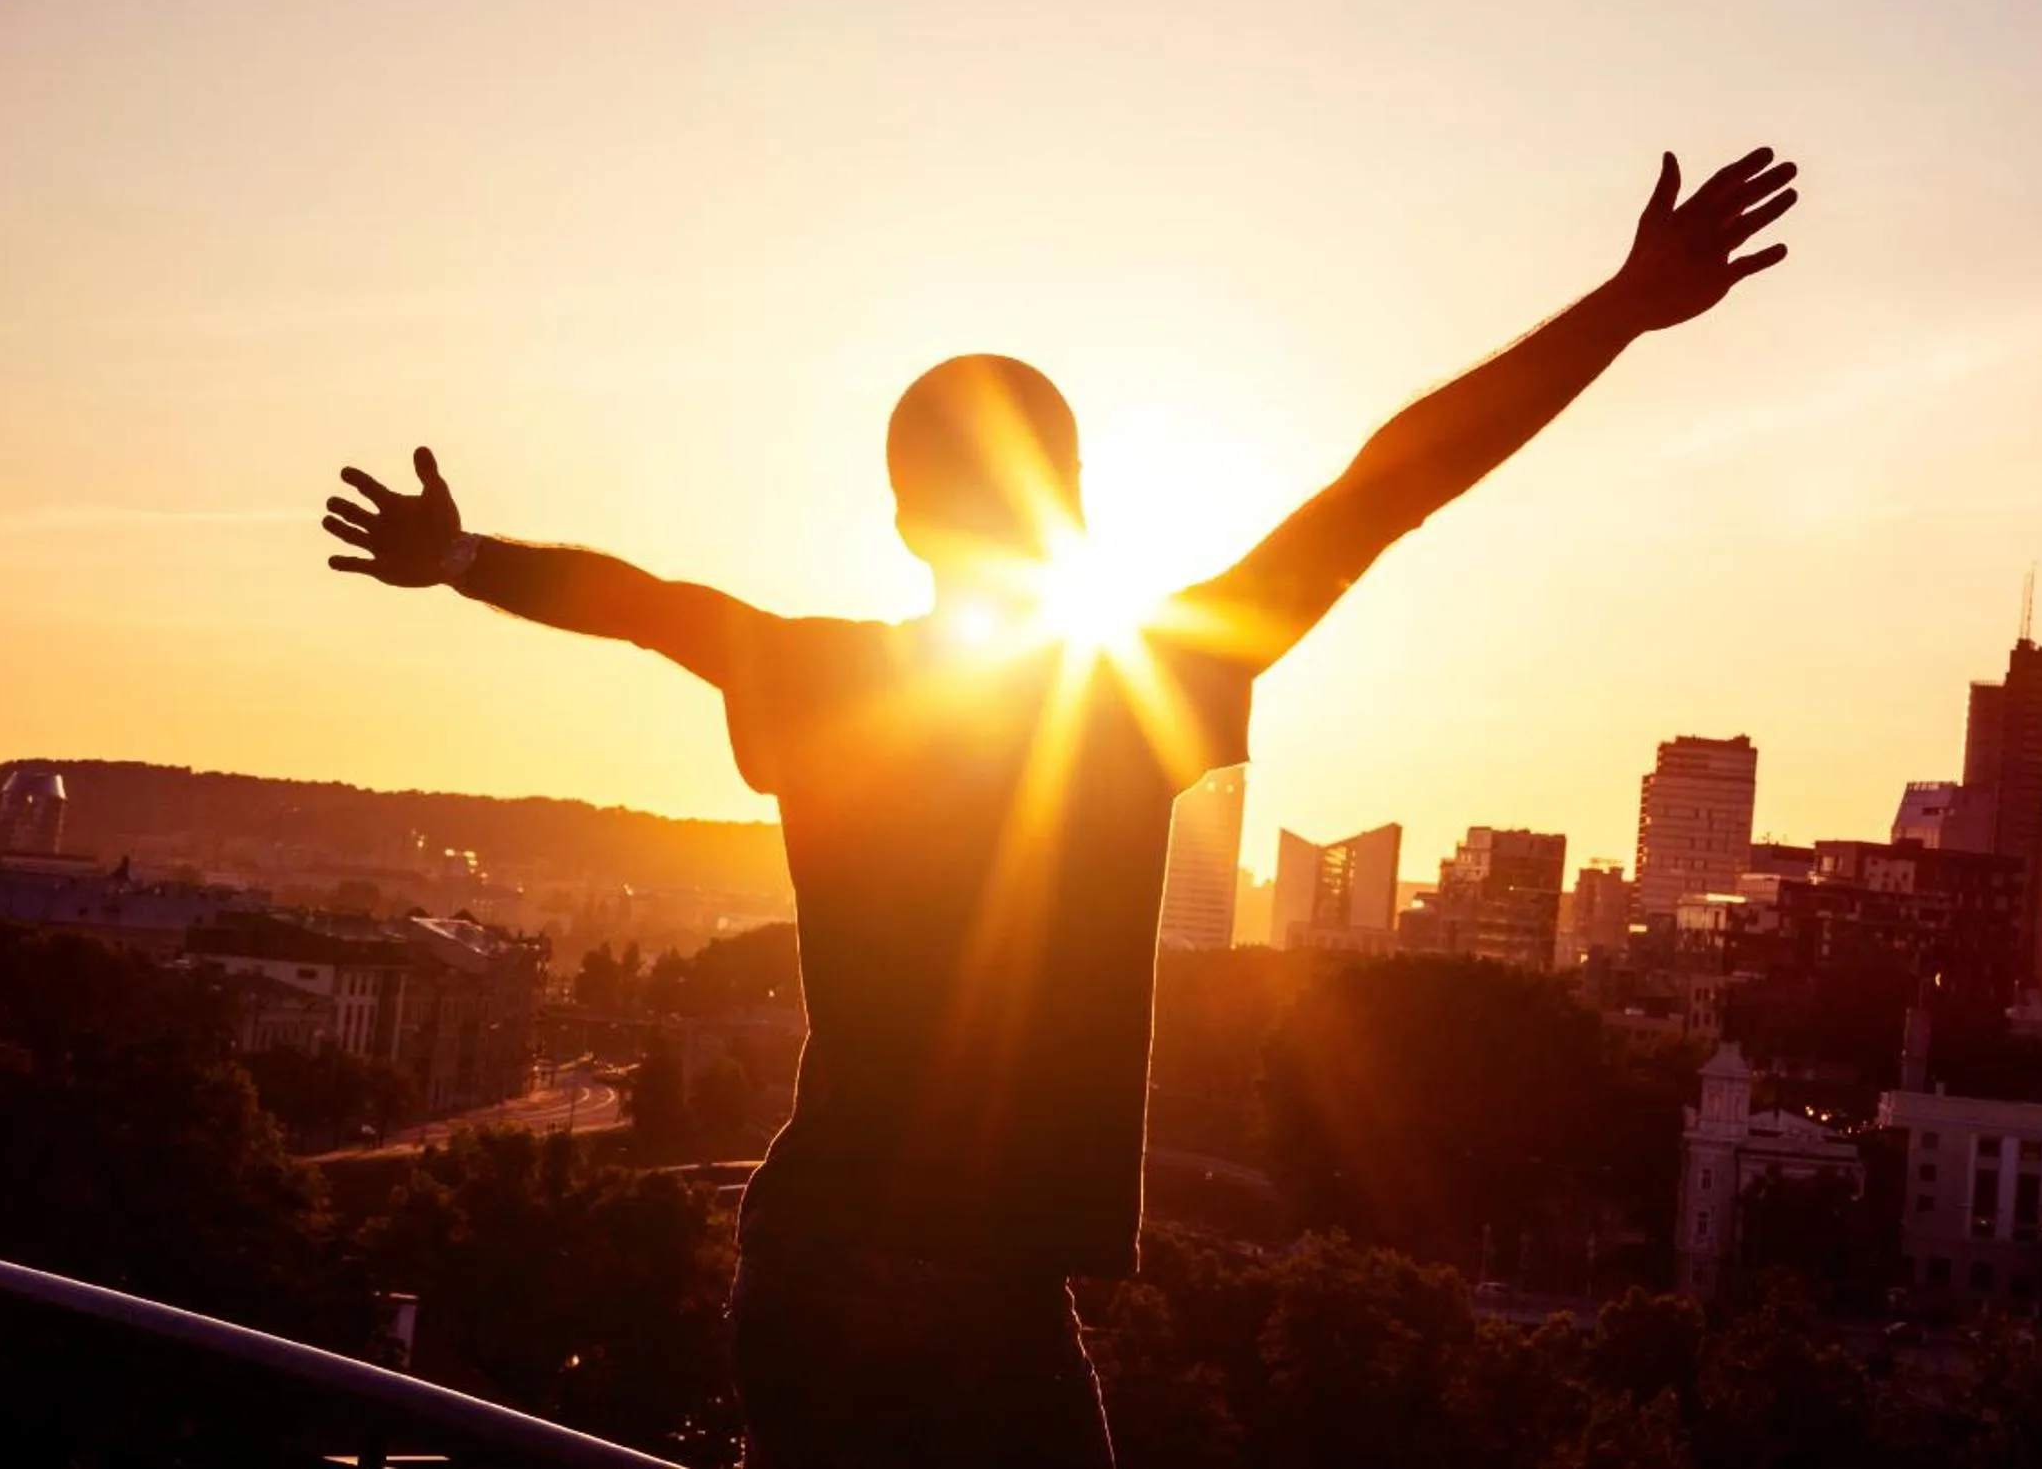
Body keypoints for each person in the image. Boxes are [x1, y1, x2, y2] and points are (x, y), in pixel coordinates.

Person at [320, 145, 1798, 1465]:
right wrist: (1615, 310)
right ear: (1078, 502)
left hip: (813, 1249)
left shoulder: (815, 675)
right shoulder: (1127, 692)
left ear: (901, 518)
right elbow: (1381, 491)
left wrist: (463, 561)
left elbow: (652, 607)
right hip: (964, 1279)